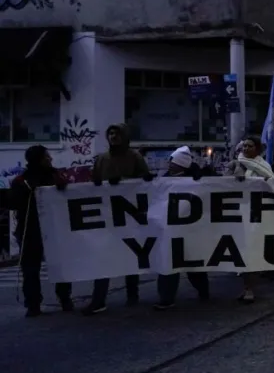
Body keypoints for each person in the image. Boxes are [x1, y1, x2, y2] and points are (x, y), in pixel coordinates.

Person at [85, 123, 153, 315]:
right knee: (103, 258)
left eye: (117, 133)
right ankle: (98, 299)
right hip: (107, 216)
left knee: (131, 256)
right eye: (111, 133)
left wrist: (133, 180)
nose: (113, 136)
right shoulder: (101, 159)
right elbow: (93, 184)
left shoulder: (135, 157)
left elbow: (143, 180)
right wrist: (103, 184)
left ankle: (133, 294)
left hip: (129, 216)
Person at [9, 145, 72, 317]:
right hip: (30, 230)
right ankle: (33, 304)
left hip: (56, 228)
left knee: (61, 265)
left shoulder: (56, 176)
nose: (50, 159)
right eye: (46, 157)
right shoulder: (21, 182)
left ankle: (65, 298)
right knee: (30, 269)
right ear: (38, 159)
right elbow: (13, 204)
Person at [154, 147, 211, 309]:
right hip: (170, 230)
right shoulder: (165, 180)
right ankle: (166, 298)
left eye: (174, 161)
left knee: (194, 265)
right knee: (168, 264)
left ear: (182, 165)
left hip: (190, 230)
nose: (170, 164)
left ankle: (203, 290)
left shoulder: (197, 179)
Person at [229, 138, 274, 303]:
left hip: (256, 212)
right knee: (241, 251)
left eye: (250, 146)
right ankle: (246, 287)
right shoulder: (237, 163)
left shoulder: (263, 166)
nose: (246, 148)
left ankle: (250, 288)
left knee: (251, 251)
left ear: (258, 149)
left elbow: (272, 181)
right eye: (244, 146)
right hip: (239, 213)